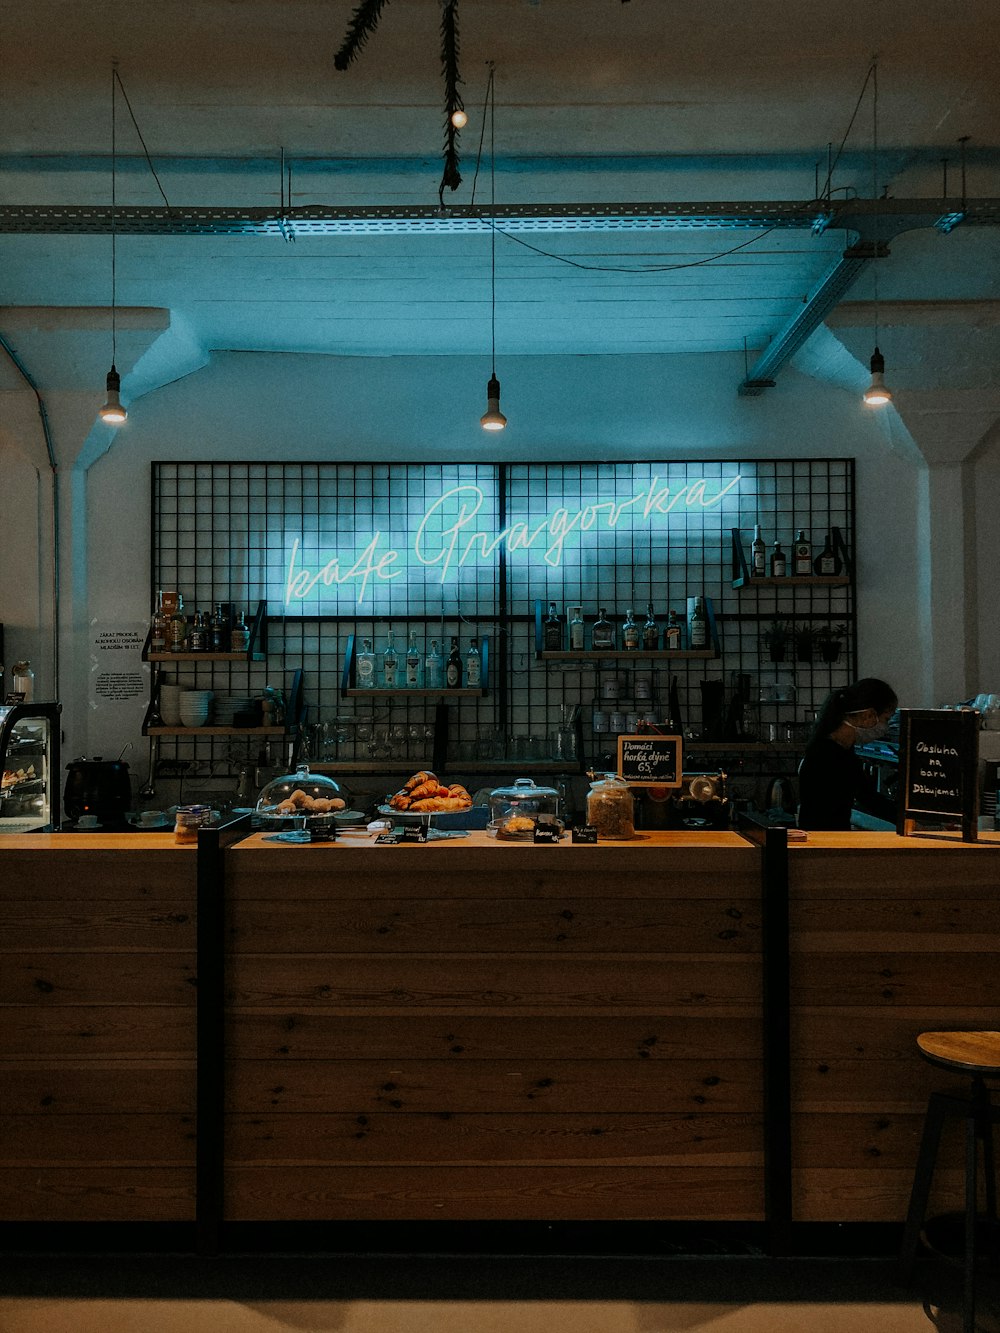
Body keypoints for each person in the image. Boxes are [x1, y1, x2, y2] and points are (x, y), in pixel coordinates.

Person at [796, 677, 898, 830]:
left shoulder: (835, 749)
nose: (885, 727)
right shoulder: (831, 756)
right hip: (825, 845)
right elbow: (868, 797)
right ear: (868, 715)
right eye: (886, 719)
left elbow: (866, 795)